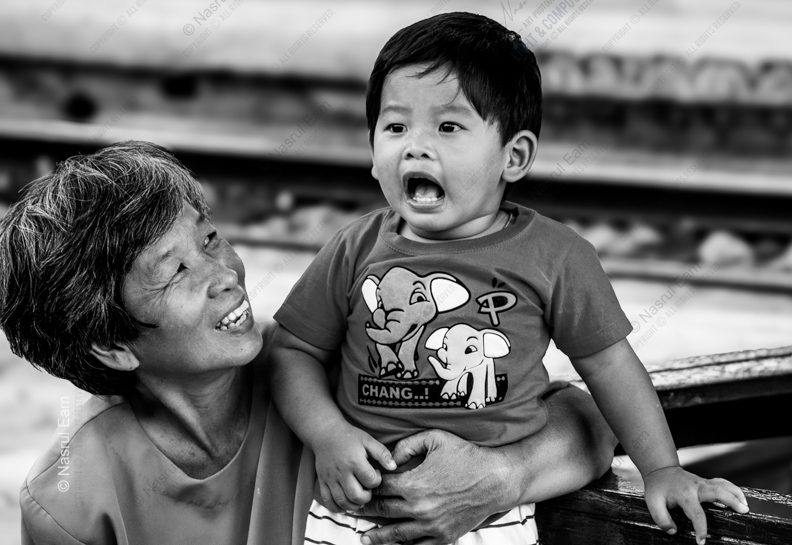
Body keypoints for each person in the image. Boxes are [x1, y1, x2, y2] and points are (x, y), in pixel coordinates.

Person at [269, 12, 750, 545]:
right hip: (356, 513)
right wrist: (329, 434)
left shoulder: (556, 255)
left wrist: (661, 469)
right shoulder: (353, 248)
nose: (415, 146)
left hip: (489, 517)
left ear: (513, 156)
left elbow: (610, 365)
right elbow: (293, 351)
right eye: (396, 127)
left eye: (448, 127)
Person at [1, 141, 619, 545]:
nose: (225, 274)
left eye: (209, 239)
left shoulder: (327, 361)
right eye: (176, 272)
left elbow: (586, 416)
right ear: (112, 345)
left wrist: (504, 477)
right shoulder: (68, 501)